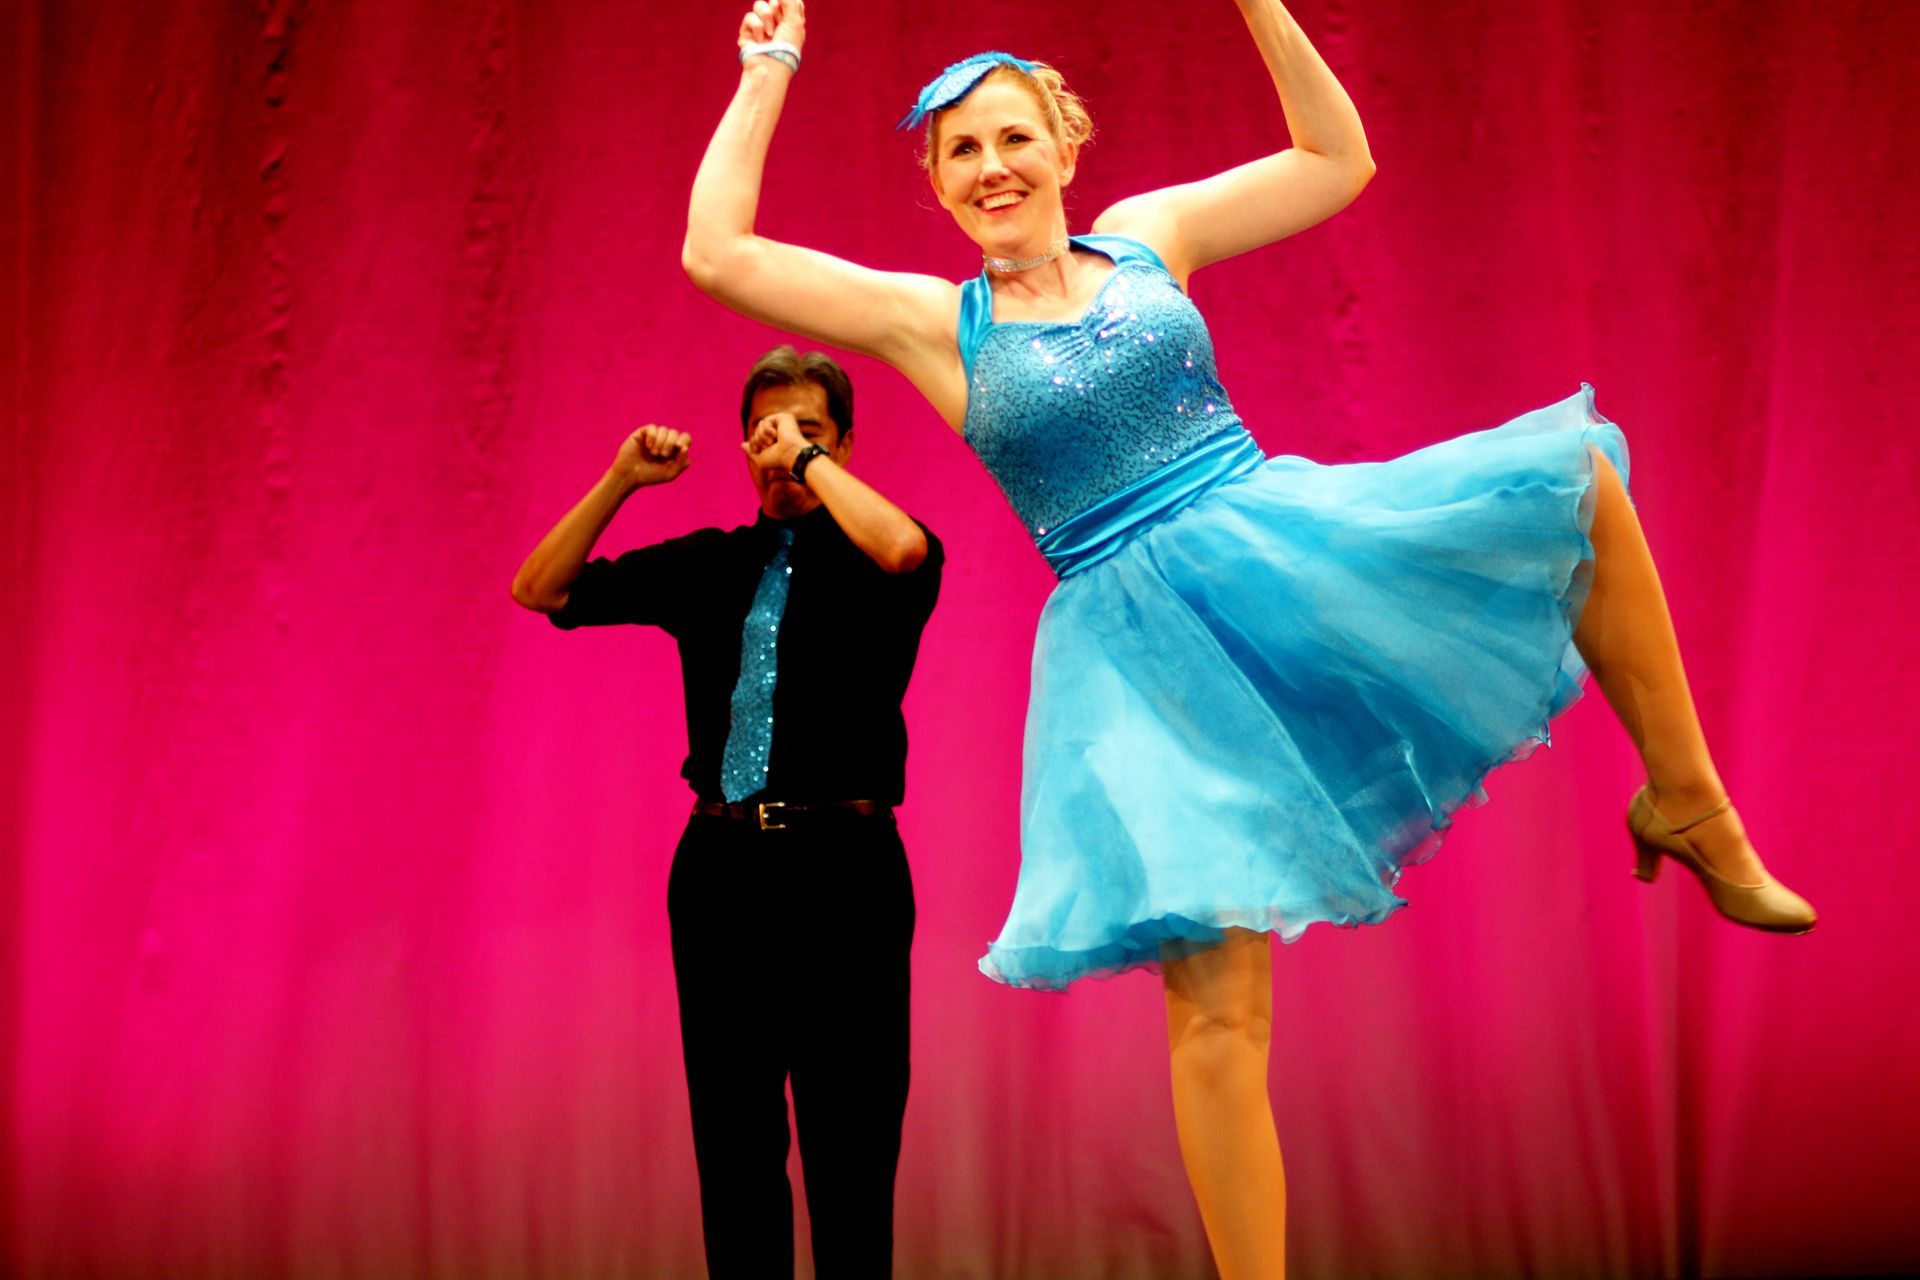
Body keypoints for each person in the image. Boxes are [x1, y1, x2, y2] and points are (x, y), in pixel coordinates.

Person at [681, 3, 1816, 1275]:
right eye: (961, 152)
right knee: (1219, 1007)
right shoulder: (938, 322)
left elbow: (1337, 162)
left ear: (1064, 146)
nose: (991, 166)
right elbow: (718, 253)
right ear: (938, 185)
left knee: (1579, 485)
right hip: (1138, 657)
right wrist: (768, 68)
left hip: (1272, 544)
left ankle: (1687, 803)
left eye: (1013, 137)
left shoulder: (1150, 236)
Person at [511, 345, 942, 1279]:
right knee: (735, 1142)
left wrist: (809, 463)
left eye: (805, 431)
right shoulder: (711, 564)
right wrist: (622, 480)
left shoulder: (883, 555)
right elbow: (540, 588)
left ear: (844, 444)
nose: (778, 448)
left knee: (851, 1144)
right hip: (722, 870)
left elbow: (906, 550)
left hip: (847, 868)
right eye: (763, 434)